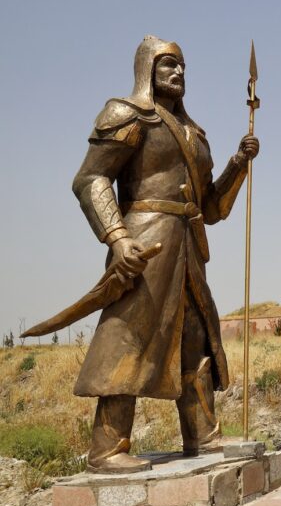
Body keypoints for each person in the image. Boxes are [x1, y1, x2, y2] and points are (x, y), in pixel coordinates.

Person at [71, 35, 259, 473]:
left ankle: (203, 437)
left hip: (189, 244)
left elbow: (211, 208)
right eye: (168, 65)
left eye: (182, 67)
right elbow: (90, 180)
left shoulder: (194, 134)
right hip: (146, 241)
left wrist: (237, 164)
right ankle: (107, 449)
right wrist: (117, 237)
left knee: (195, 337)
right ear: (147, 70)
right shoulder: (127, 114)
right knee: (128, 336)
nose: (178, 73)